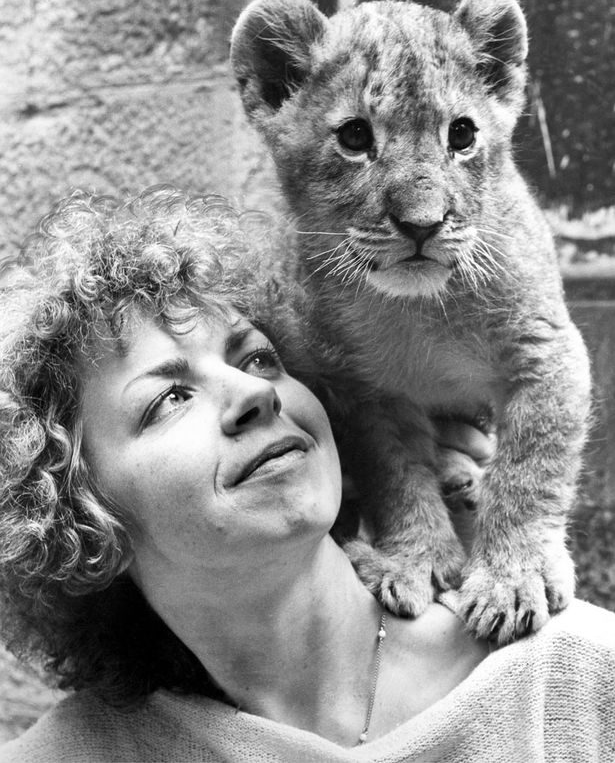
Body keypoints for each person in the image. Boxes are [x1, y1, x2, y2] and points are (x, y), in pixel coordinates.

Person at [0, 185, 613, 763]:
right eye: (170, 399)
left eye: (259, 358)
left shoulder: (580, 679)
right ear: (74, 513)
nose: (254, 393)